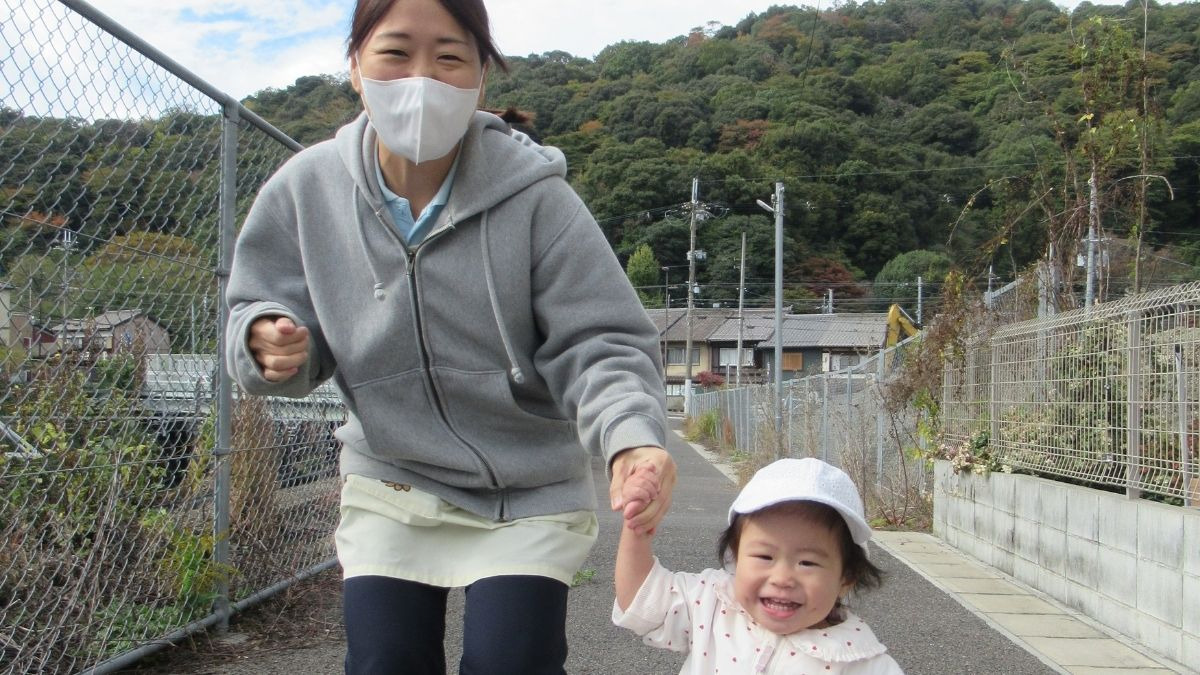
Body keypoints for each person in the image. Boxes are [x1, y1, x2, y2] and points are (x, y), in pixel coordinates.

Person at [223, 1, 676, 672]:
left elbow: (599, 338)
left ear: (480, 80)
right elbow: (261, 311)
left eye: (450, 57)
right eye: (397, 52)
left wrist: (630, 436)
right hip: (393, 475)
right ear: (355, 66)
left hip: (529, 485)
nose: (422, 78)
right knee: (385, 660)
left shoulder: (537, 198)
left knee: (511, 660)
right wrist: (268, 343)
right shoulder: (304, 189)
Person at [613, 458, 903, 674]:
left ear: (847, 576)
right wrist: (636, 528)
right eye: (764, 557)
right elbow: (642, 599)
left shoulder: (861, 662)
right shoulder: (712, 604)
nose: (782, 577)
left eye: (807, 562)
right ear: (735, 558)